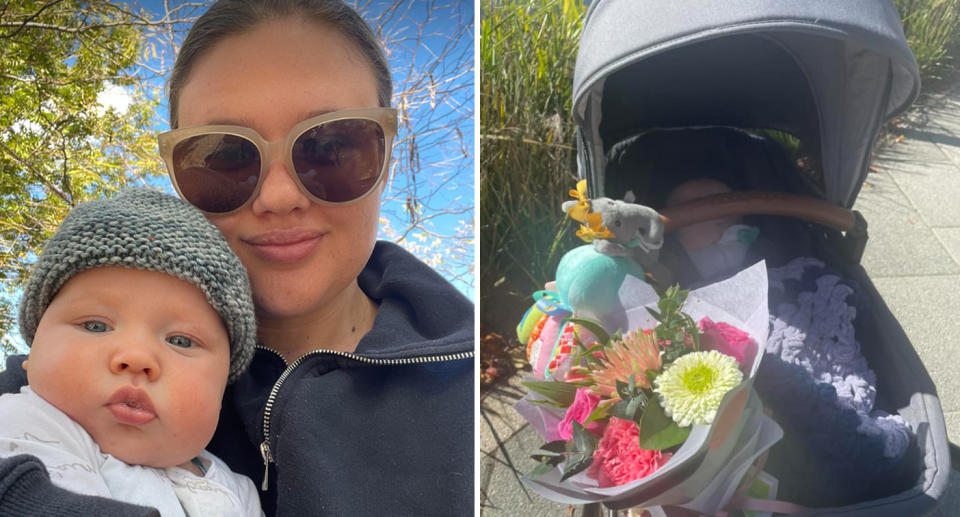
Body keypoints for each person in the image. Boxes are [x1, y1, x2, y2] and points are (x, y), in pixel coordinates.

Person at [0, 1, 474, 515]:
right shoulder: (48, 392)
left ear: (384, 160)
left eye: (331, 146)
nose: (278, 196)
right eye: (226, 155)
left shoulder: (470, 390)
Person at [0, 188, 262, 516]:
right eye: (95, 326)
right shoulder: (25, 424)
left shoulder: (238, 490)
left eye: (181, 341)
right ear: (32, 351)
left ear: (223, 388)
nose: (136, 357)